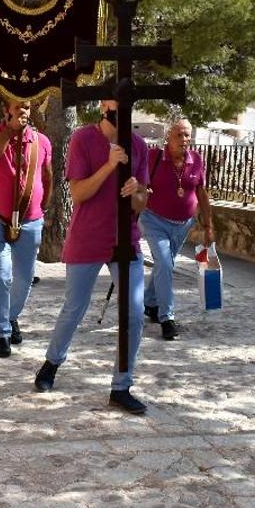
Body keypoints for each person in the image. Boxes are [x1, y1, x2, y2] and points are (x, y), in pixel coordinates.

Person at [33, 99, 151, 415]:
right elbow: (79, 193)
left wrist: (137, 189)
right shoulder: (83, 139)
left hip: (125, 240)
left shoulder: (139, 145)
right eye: (116, 100)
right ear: (104, 104)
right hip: (88, 236)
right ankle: (52, 363)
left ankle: (121, 386)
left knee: (135, 312)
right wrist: (110, 166)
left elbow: (141, 204)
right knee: (75, 306)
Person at [0, 98, 53, 358]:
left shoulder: (41, 141)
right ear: (5, 110)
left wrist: (42, 208)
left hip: (31, 219)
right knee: (1, 276)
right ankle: (2, 333)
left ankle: (11, 317)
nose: (24, 111)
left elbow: (47, 176)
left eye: (27, 107)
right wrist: (9, 132)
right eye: (18, 106)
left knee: (24, 278)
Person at [142, 118, 215, 341]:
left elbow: (201, 192)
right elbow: (138, 185)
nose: (184, 140)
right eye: (179, 135)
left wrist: (208, 225)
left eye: (187, 135)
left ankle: (150, 302)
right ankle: (167, 318)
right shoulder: (153, 157)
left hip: (183, 224)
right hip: (154, 220)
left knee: (165, 265)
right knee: (164, 263)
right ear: (168, 137)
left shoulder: (196, 160)